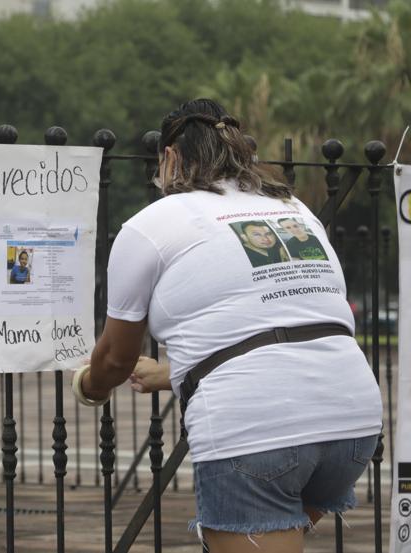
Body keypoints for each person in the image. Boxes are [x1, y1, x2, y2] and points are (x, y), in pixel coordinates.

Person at [72, 99, 382, 553]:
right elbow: (281, 318)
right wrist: (172, 372)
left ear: (171, 156)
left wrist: (89, 386)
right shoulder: (291, 207)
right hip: (352, 420)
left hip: (257, 428)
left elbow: (116, 358)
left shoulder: (150, 224)